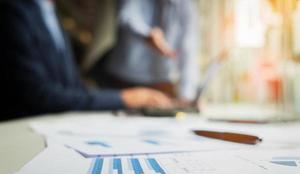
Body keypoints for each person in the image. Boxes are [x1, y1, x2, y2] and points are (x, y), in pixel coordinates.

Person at [0, 0, 173, 121]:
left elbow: (72, 85)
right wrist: (124, 98)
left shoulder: (49, 10)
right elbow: (39, 95)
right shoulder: (13, 12)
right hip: (22, 128)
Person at [93, 0, 200, 104]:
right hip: (123, 80)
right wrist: (146, 34)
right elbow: (125, 15)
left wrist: (188, 95)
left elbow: (189, 49)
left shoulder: (186, 4)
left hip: (162, 84)